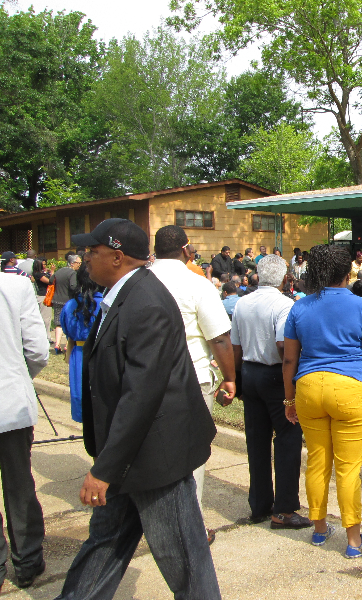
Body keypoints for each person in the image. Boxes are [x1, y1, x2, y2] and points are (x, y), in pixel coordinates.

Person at [56, 219, 221, 599]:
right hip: (129, 456)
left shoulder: (146, 303)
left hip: (155, 459)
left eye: (91, 253)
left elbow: (141, 395)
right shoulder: (121, 295)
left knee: (186, 565)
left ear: (116, 257)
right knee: (104, 544)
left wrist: (105, 469)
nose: (85, 259)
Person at [282, 244, 362, 558]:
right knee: (347, 468)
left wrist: (289, 402)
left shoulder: (299, 307)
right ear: (347, 273)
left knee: (317, 461)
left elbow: (289, 360)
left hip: (309, 389)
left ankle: (319, 529)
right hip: (352, 389)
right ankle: (354, 542)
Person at [149, 225, 237, 544]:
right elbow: (220, 338)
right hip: (192, 380)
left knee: (154, 451)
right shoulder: (196, 283)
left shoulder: (137, 281)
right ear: (187, 251)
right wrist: (229, 378)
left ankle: (157, 523)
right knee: (192, 452)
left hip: (145, 382)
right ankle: (191, 527)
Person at [230, 255, 312, 530]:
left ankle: (260, 504)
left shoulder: (243, 302)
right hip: (276, 375)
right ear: (284, 278)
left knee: (256, 440)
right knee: (288, 439)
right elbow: (282, 346)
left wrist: (237, 378)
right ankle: (285, 510)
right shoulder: (284, 305)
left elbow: (236, 347)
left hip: (250, 371)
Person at [0, 271, 49, 591]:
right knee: (19, 485)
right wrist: (19, 378)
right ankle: (28, 561)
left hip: (11, 402)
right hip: (9, 404)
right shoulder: (14, 286)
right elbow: (38, 351)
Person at [61, 264, 103, 423]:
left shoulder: (70, 305)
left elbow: (65, 328)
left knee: (80, 394)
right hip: (100, 352)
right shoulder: (106, 303)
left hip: (79, 353)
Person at [52, 254, 82, 354]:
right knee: (69, 322)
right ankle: (66, 345)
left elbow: (51, 280)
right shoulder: (72, 273)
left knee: (58, 323)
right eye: (78, 263)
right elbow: (73, 286)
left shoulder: (59, 271)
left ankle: (57, 344)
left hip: (56, 300)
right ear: (72, 263)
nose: (79, 265)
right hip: (68, 301)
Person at [31, 258, 54, 341]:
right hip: (43, 297)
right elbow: (50, 281)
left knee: (47, 317)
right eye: (43, 264)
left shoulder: (40, 273)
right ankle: (46, 337)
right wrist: (52, 271)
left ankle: (46, 336)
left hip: (46, 296)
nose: (45, 266)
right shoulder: (38, 274)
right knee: (46, 318)